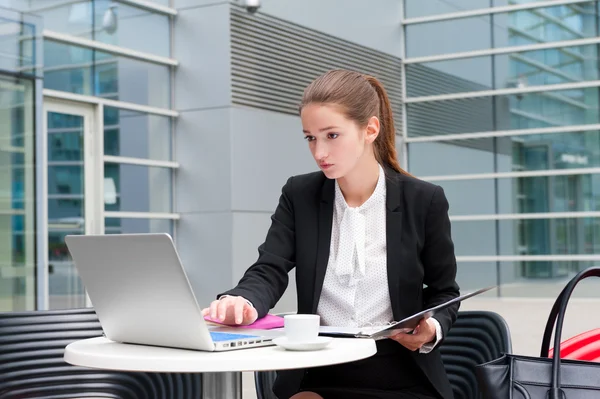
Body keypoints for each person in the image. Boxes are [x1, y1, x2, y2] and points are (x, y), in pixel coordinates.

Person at [203, 69, 460, 399]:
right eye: (310, 137)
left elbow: (445, 292)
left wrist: (431, 328)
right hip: (320, 371)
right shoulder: (300, 194)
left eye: (332, 136)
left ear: (370, 129)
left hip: (401, 374)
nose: (319, 152)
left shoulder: (423, 200)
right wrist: (242, 300)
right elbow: (269, 268)